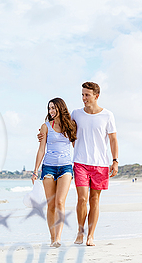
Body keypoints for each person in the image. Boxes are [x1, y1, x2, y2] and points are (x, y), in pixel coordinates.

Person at [71, 82, 118, 246]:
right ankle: (80, 232)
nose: (83, 98)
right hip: (80, 163)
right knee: (82, 198)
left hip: (100, 164)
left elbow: (113, 139)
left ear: (96, 96)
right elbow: (68, 134)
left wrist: (115, 161)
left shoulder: (107, 115)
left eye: (87, 95)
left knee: (94, 200)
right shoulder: (76, 114)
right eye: (82, 94)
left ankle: (91, 235)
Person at [31, 97, 77, 248]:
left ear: (60, 108)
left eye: (53, 108)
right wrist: (35, 170)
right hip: (48, 167)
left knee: (60, 202)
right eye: (49, 108)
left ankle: (58, 237)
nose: (51, 111)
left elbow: (77, 145)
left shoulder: (71, 125)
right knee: (51, 204)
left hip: (66, 167)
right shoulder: (45, 127)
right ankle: (52, 238)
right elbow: (41, 149)